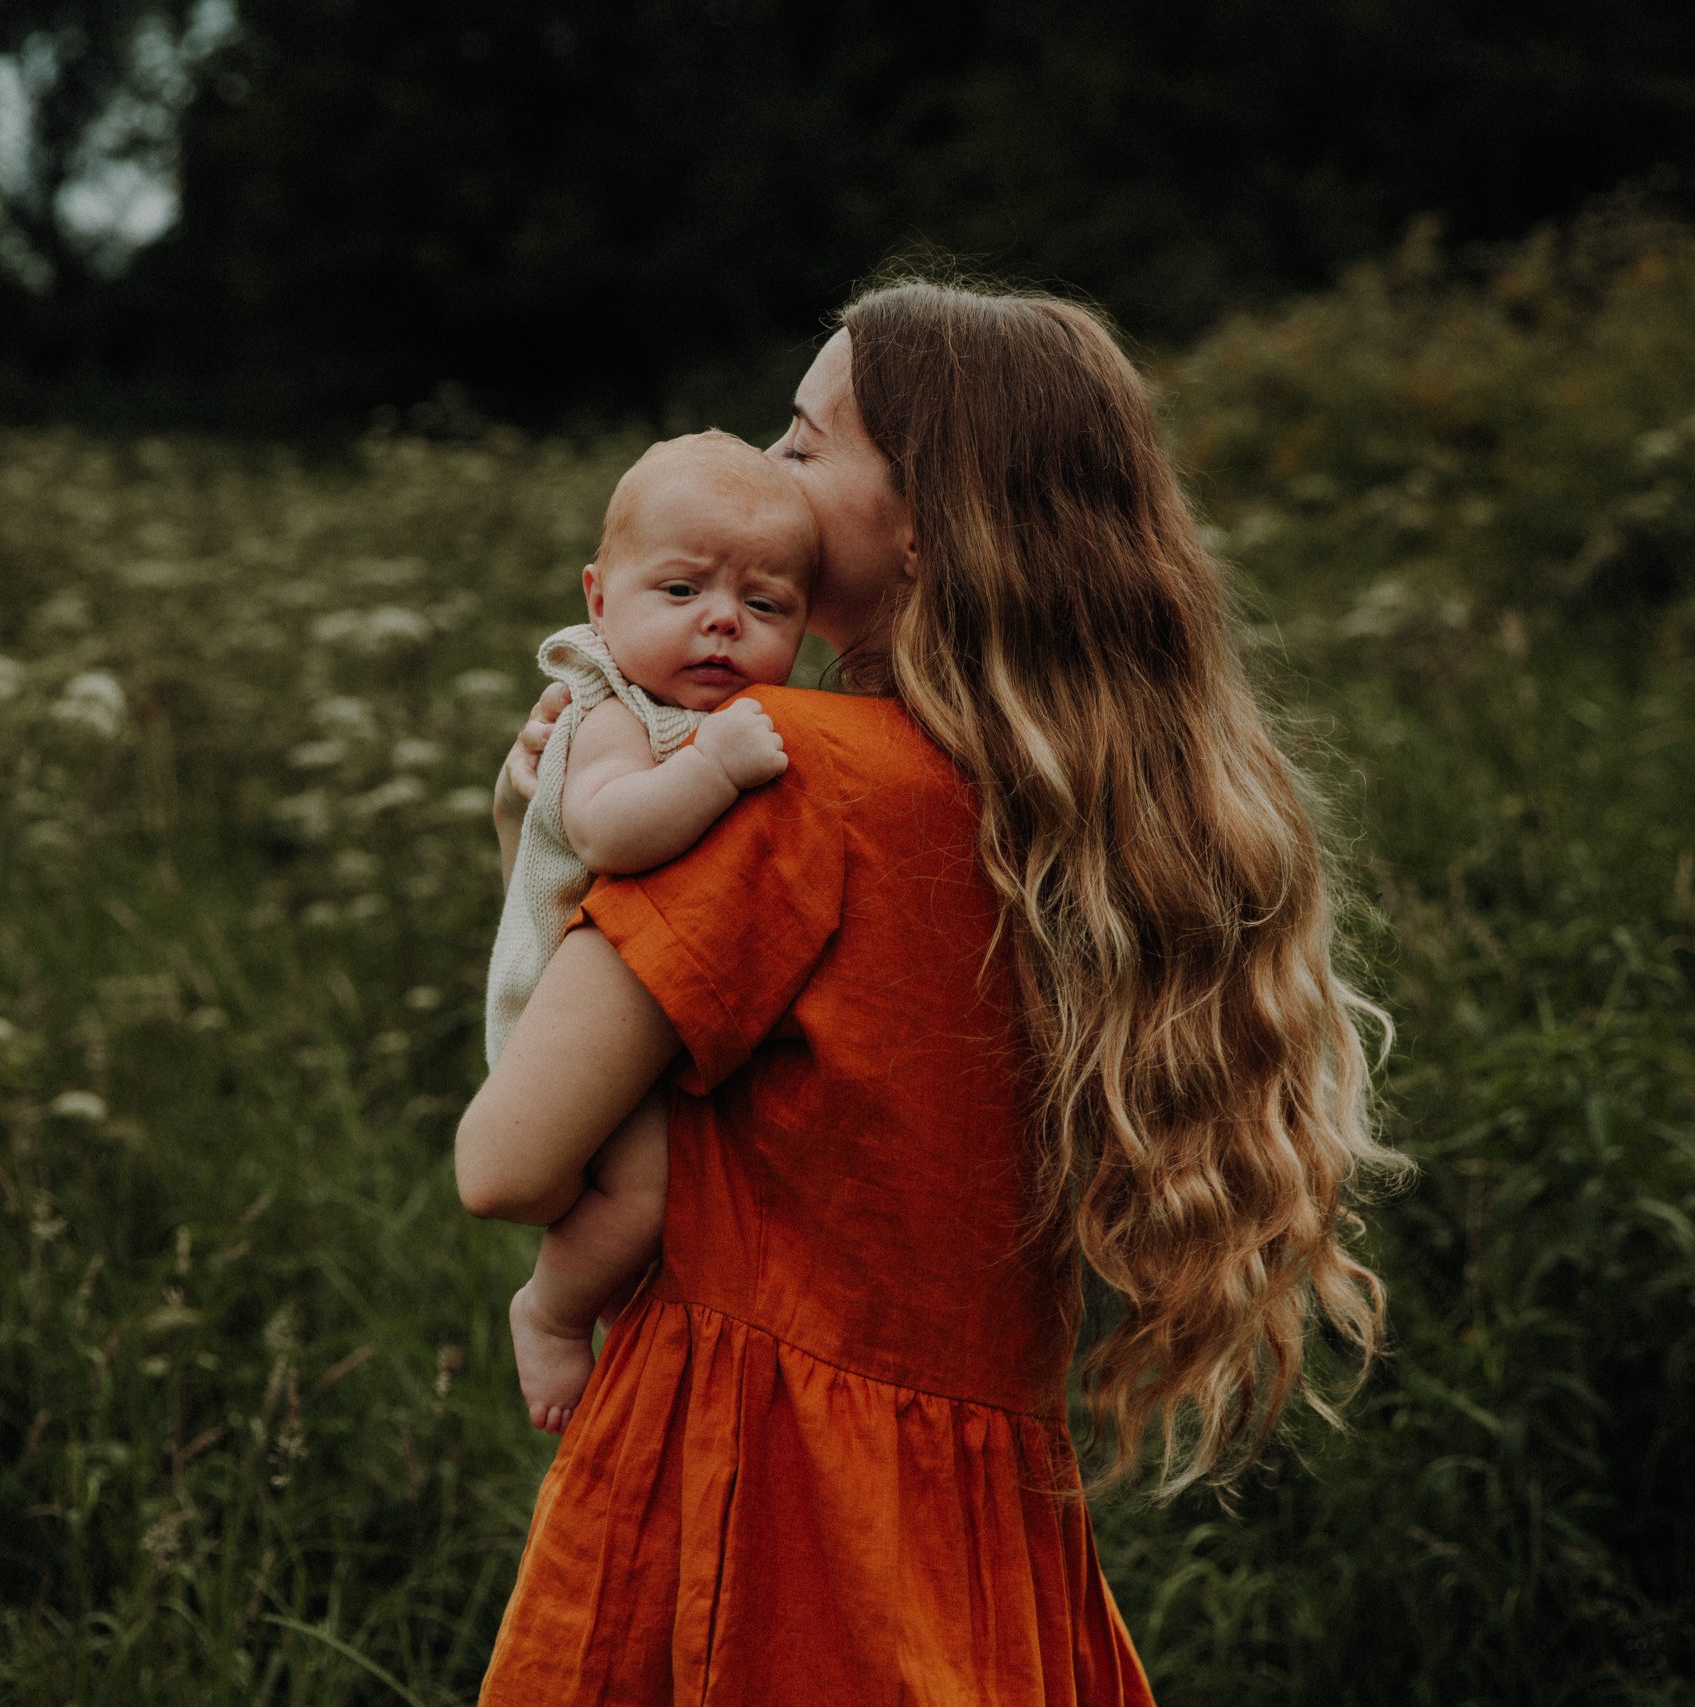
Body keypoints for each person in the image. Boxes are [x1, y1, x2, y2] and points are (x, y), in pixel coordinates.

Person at [457, 277, 1410, 1703]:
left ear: (916, 521)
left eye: (800, 439)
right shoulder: (1081, 823)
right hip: (984, 1541)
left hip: (751, 1505)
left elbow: (507, 1158)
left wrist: (536, 850)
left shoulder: (783, 772)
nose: (763, 471)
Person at [483, 430, 817, 1435]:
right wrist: (714, 768)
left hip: (639, 1004)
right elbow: (606, 830)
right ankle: (548, 1311)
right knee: (645, 1198)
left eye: (765, 607)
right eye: (679, 593)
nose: (721, 622)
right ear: (599, 599)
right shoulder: (611, 707)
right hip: (567, 1010)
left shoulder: (719, 705)